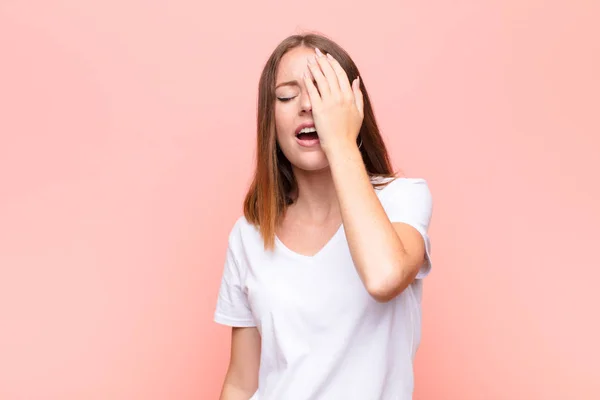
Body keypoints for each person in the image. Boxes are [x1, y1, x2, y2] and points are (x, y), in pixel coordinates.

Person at [213, 32, 433, 400]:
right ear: (271, 119)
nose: (306, 106)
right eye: (287, 95)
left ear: (352, 108)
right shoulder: (249, 234)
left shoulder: (402, 200)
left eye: (322, 92)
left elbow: (383, 277)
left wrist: (342, 140)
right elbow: (241, 381)